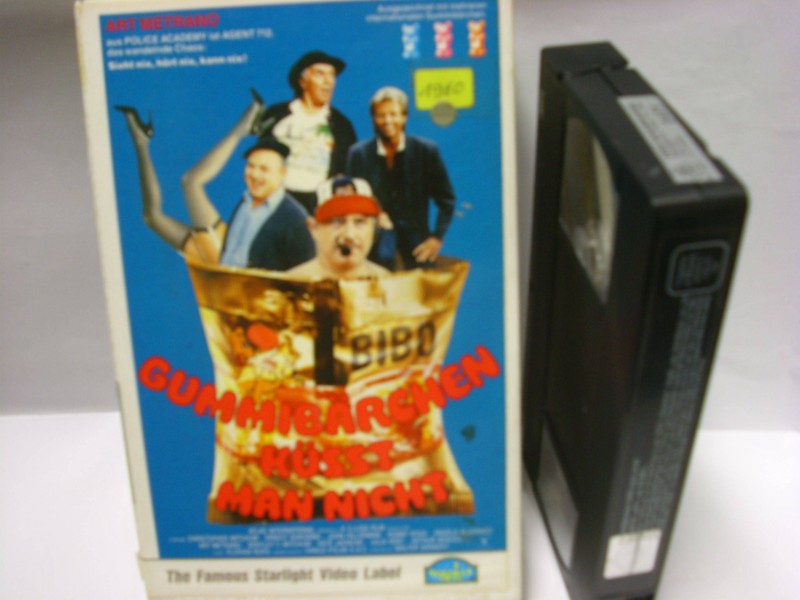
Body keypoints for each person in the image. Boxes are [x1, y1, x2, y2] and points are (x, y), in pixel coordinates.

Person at [116, 93, 314, 271]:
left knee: (155, 214)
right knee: (186, 187)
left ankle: (141, 139)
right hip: (223, 262)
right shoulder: (251, 201)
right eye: (252, 166)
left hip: (226, 271)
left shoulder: (291, 215)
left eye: (264, 169)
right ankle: (243, 127)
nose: (255, 174)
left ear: (282, 173)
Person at [346, 86, 456, 270]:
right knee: (376, 270)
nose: (387, 121)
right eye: (381, 115)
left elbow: (447, 200)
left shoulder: (426, 151)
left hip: (416, 236)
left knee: (426, 279)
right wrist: (375, 213)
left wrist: (437, 238)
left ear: (404, 117)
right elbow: (350, 200)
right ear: (373, 118)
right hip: (374, 234)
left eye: (393, 114)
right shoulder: (358, 154)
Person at [253, 51, 357, 215]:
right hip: (275, 200)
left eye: (332, 75)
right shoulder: (276, 115)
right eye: (320, 74)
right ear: (302, 81)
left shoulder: (342, 125)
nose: (328, 81)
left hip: (318, 205)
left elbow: (348, 171)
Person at [289, 189, 388, 279]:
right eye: (337, 222)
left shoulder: (388, 284)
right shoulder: (290, 284)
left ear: (374, 227)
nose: (349, 235)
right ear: (313, 228)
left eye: (359, 222)